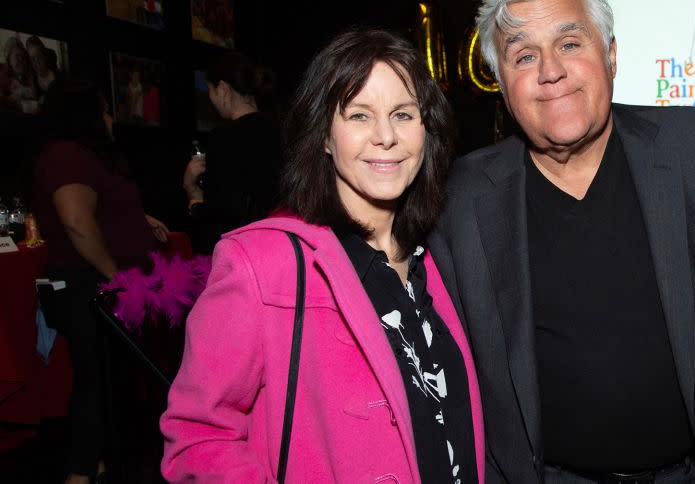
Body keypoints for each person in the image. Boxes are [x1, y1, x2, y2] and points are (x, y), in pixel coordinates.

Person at [427, 0, 695, 484]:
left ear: (612, 54)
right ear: (503, 83)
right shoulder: (459, 198)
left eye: (570, 43)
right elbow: (452, 380)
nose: (550, 70)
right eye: (524, 55)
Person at [160, 28, 484, 483]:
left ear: (427, 130)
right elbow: (198, 439)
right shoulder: (261, 264)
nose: (386, 136)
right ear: (325, 137)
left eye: (403, 114)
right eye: (359, 115)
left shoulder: (435, 262)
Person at [30, 79, 169, 484]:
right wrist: (118, 276)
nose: (110, 118)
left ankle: (97, 465)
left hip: (98, 287)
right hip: (89, 288)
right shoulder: (66, 155)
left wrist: (138, 221)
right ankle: (82, 470)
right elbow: (75, 221)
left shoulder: (80, 158)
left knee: (109, 381)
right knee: (97, 382)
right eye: (104, 110)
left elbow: (97, 209)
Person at [181, 51, 282, 254]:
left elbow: (226, 208)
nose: (210, 99)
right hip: (278, 246)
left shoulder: (223, 138)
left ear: (223, 89)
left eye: (210, 90)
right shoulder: (281, 131)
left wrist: (193, 199)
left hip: (240, 252)